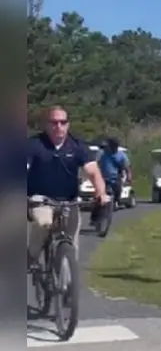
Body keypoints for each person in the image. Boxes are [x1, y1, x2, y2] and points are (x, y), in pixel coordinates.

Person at [26, 106, 107, 268]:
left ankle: (68, 283)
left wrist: (101, 193)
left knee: (71, 242)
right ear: (47, 125)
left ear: (68, 125)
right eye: (54, 122)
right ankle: (31, 256)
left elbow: (93, 172)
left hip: (69, 200)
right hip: (40, 199)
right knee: (44, 223)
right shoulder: (34, 145)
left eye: (63, 122)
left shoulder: (77, 146)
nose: (59, 126)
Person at [91, 137, 130, 225]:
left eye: (111, 146)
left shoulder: (121, 155)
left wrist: (128, 177)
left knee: (118, 189)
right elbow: (95, 164)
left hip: (115, 178)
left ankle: (116, 201)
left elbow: (127, 167)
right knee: (98, 198)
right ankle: (94, 218)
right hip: (102, 178)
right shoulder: (102, 154)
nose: (109, 148)